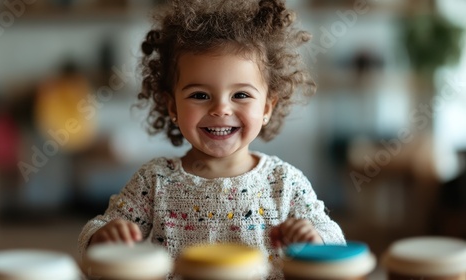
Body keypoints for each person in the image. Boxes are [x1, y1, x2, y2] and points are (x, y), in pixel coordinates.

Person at [78, 0, 345, 278]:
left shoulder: (285, 183)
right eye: (200, 95)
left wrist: (315, 240)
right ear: (172, 107)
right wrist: (105, 237)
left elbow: (334, 241)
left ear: (266, 107)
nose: (220, 109)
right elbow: (97, 233)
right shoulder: (154, 181)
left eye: (240, 95)